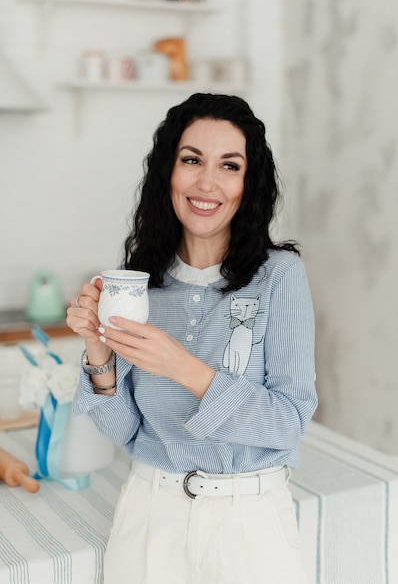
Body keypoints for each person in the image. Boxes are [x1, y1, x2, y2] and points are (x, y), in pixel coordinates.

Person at [67, 92, 318, 584]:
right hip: (147, 516)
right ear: (169, 173)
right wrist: (98, 353)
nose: (207, 182)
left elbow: (288, 423)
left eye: (229, 165)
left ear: (249, 183)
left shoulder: (280, 277)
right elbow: (128, 433)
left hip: (249, 523)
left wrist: (184, 368)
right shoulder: (139, 287)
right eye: (191, 160)